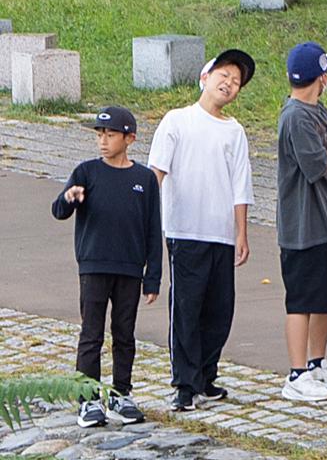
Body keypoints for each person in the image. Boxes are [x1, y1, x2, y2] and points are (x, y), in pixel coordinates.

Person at [152, 49, 254, 413]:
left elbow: (240, 185)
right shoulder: (177, 120)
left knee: (219, 308)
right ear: (204, 77)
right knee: (186, 307)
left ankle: (206, 376)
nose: (228, 83)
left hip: (221, 232)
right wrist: (149, 221)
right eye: (223, 75)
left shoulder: (235, 131)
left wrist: (241, 233)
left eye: (236, 81)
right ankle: (184, 382)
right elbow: (157, 174)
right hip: (185, 228)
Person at [53, 107, 161, 426]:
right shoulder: (86, 172)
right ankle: (87, 399)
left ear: (130, 139)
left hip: (129, 268)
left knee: (124, 333)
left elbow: (153, 229)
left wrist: (152, 276)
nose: (103, 141)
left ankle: (121, 393)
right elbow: (58, 210)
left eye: (110, 135)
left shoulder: (144, 179)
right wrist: (70, 198)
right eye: (100, 134)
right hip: (94, 265)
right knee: (91, 334)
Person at [275, 43, 327, 403]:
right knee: (301, 301)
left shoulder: (317, 108)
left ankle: (317, 363)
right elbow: (318, 166)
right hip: (302, 227)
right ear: (318, 77)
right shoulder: (295, 117)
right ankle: (296, 372)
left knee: (323, 299)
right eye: (326, 72)